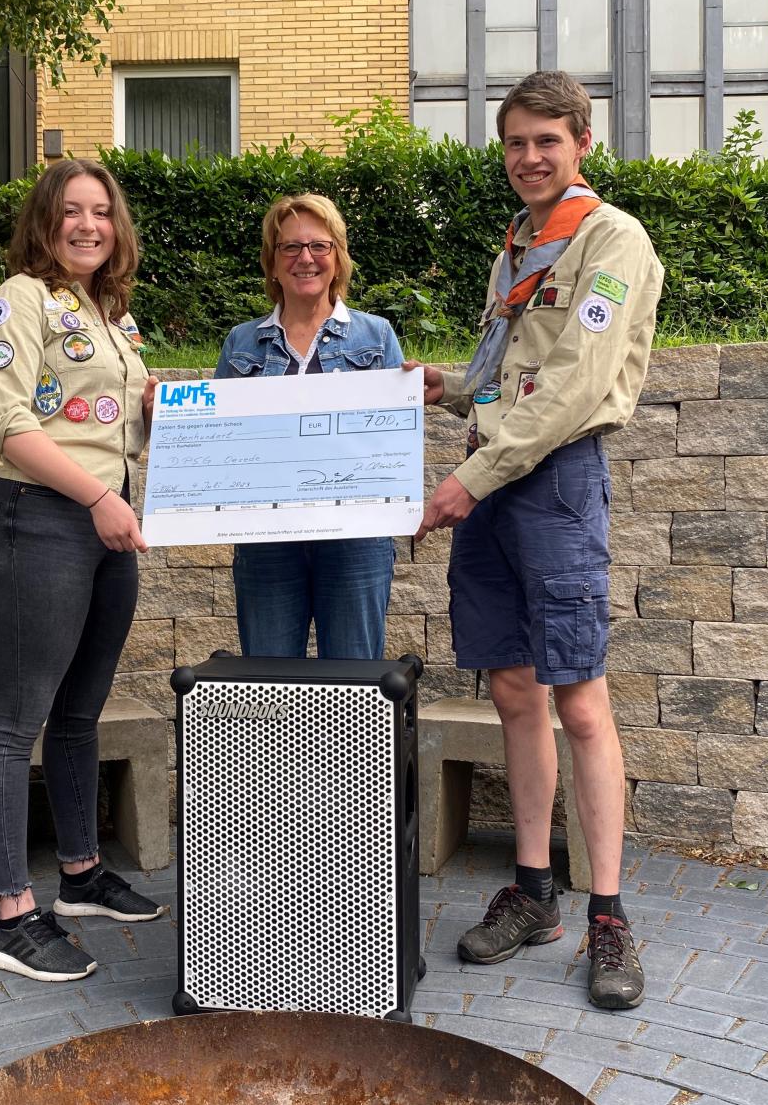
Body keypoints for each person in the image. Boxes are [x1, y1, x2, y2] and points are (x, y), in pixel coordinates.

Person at [412, 71, 664, 1011]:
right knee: (514, 690)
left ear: (582, 143)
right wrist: (440, 387)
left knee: (581, 698)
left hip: (553, 481)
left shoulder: (611, 242)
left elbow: (569, 388)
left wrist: (463, 482)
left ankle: (608, 914)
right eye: (515, 143)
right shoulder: (518, 245)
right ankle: (533, 890)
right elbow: (504, 376)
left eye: (545, 142)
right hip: (495, 473)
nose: (527, 158)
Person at [0, 157, 164, 983]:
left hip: (102, 522)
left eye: (102, 212)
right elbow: (10, 427)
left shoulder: (108, 314)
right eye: (71, 211)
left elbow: (119, 425)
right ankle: (12, 914)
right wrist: (98, 498)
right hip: (43, 520)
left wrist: (166, 412)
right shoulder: (17, 299)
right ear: (44, 222)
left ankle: (79, 873)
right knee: (17, 719)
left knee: (81, 710)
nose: (89, 224)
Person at [215, 193, 404, 659]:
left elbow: (397, 441)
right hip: (267, 542)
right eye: (290, 248)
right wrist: (176, 419)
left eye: (319, 246)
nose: (305, 258)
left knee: (354, 684)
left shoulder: (376, 336)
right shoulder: (241, 342)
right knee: (270, 684)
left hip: (355, 538)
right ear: (273, 263)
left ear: (337, 258)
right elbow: (220, 443)